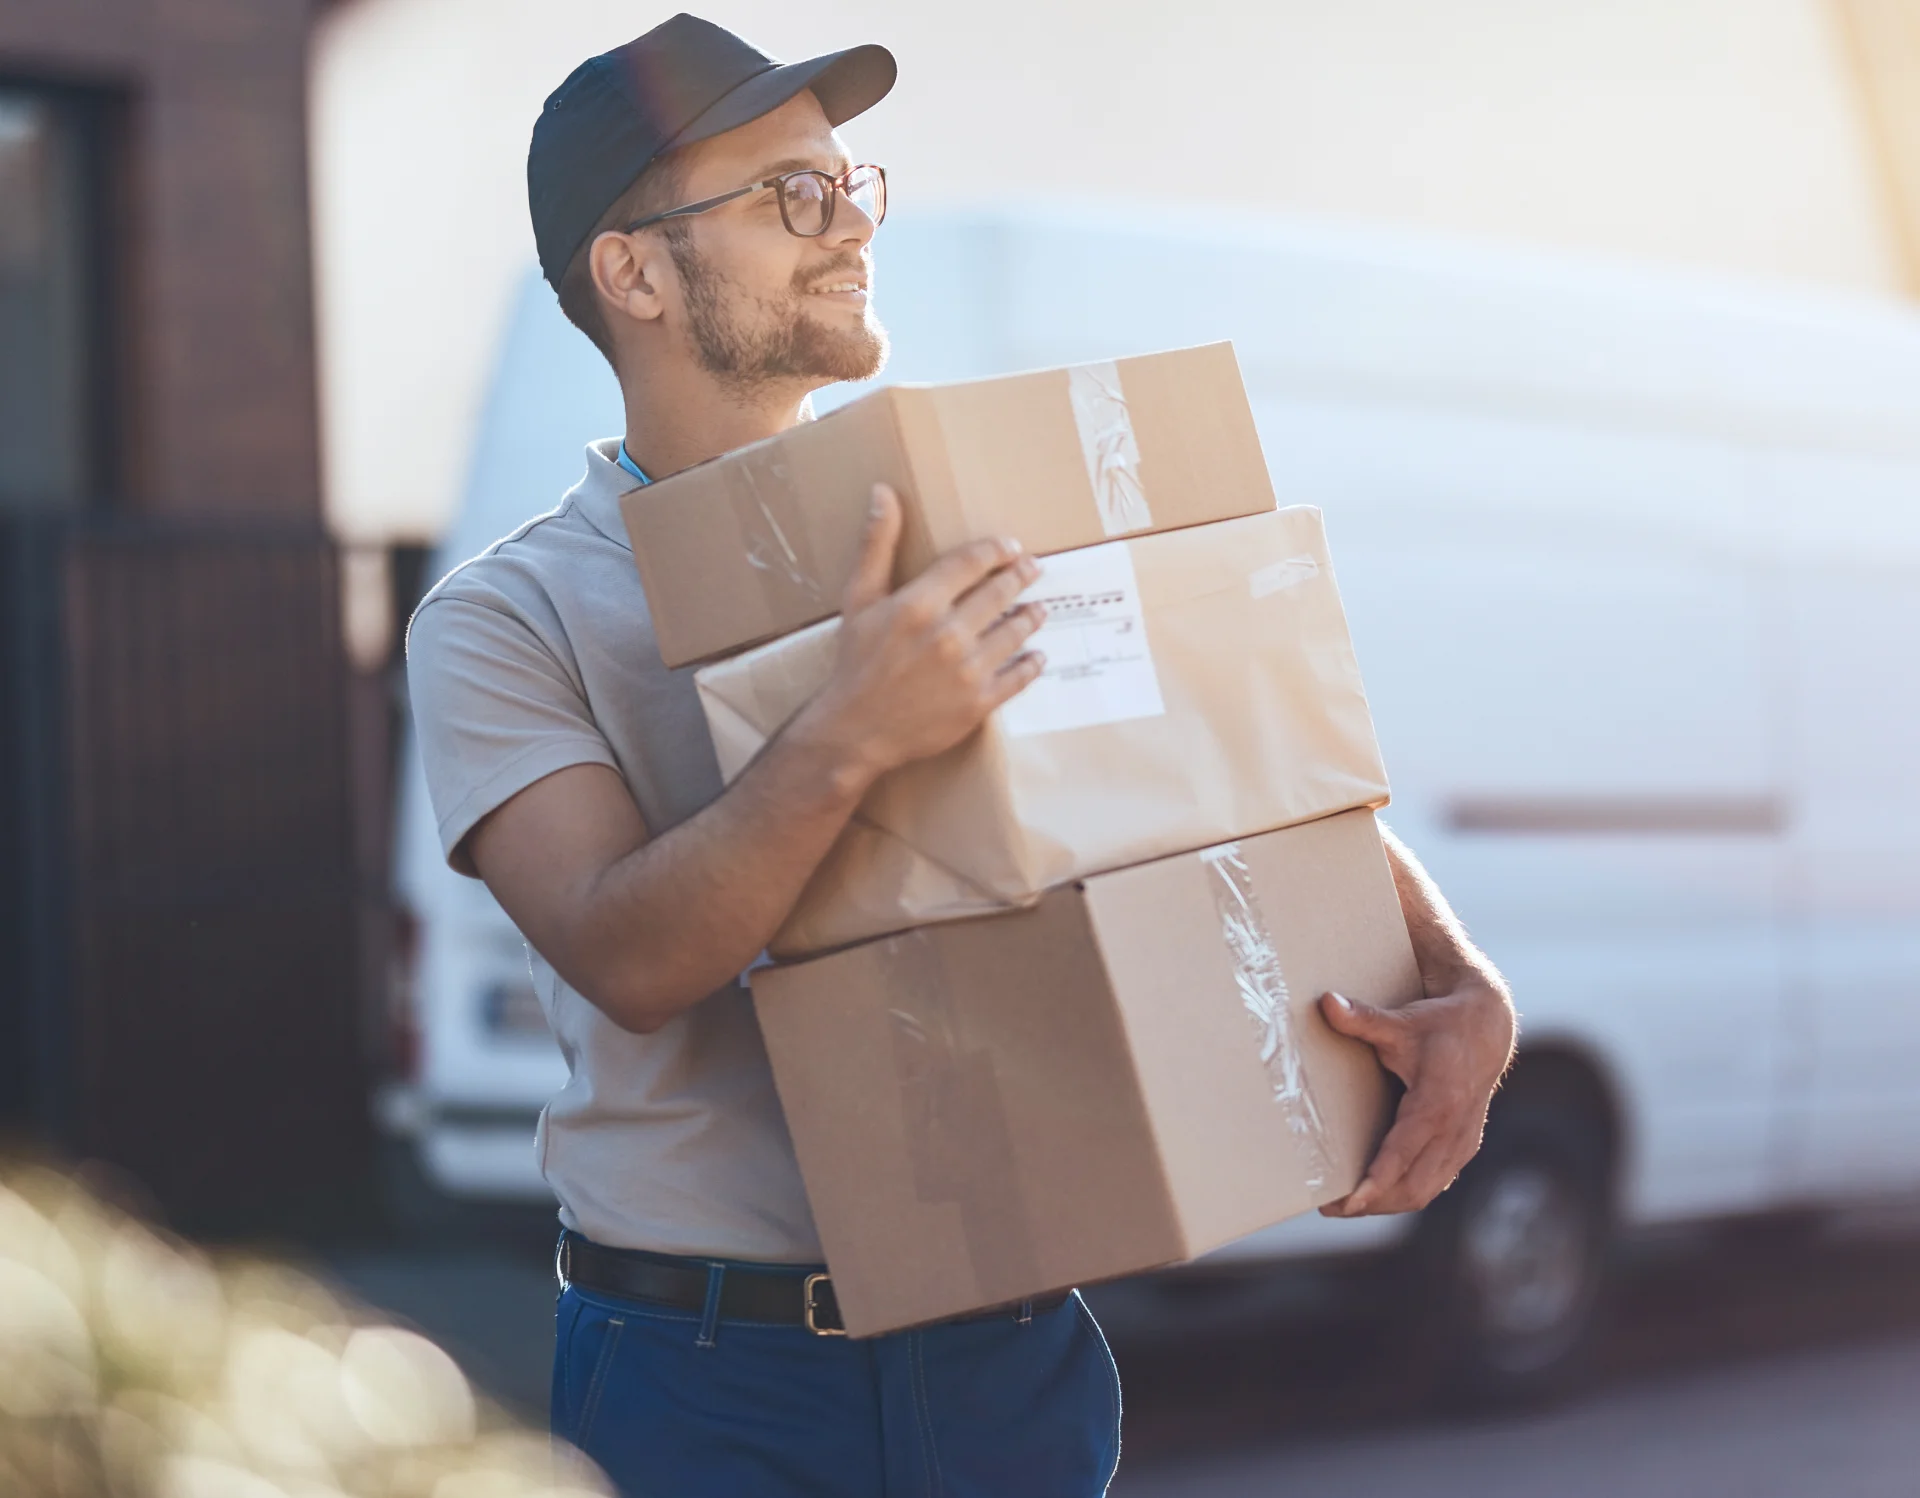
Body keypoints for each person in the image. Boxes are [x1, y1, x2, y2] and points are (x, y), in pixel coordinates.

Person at [405, 14, 1518, 1496]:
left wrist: (1455, 971)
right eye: (787, 196)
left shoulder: (964, 503)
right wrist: (852, 729)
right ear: (635, 272)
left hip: (1013, 1358)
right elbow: (627, 953)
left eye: (849, 185)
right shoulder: (505, 616)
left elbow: (1222, 776)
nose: (848, 228)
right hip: (710, 1378)